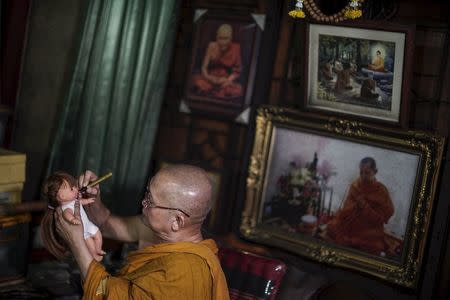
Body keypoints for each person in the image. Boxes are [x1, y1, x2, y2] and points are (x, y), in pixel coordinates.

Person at [54, 164, 229, 299]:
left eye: (150, 201)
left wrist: (77, 244)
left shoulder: (183, 274)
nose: (143, 204)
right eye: (146, 194)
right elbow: (106, 223)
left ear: (176, 221)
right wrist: (93, 200)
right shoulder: (160, 232)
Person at [326, 157, 394, 255]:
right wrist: (355, 206)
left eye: (367, 173)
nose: (363, 176)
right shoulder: (355, 185)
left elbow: (380, 219)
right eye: (361, 172)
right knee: (332, 227)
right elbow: (345, 210)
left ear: (375, 172)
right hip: (351, 224)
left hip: (369, 229)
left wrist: (365, 207)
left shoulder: (381, 191)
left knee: (374, 247)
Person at [41, 171, 105, 261]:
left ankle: (98, 250)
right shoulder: (66, 208)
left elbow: (80, 202)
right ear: (62, 196)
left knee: (98, 235)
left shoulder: (74, 200)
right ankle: (95, 254)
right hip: (83, 231)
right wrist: (72, 219)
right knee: (90, 244)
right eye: (72, 189)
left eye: (74, 187)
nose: (76, 188)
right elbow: (67, 214)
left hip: (88, 224)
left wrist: (88, 200)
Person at [191, 23, 242, 99]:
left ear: (231, 38)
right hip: (210, 77)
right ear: (216, 37)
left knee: (238, 90)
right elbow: (204, 67)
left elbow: (237, 70)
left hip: (225, 79)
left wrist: (227, 80)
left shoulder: (236, 48)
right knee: (197, 82)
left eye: (226, 38)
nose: (223, 41)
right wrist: (209, 77)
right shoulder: (211, 45)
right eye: (220, 38)